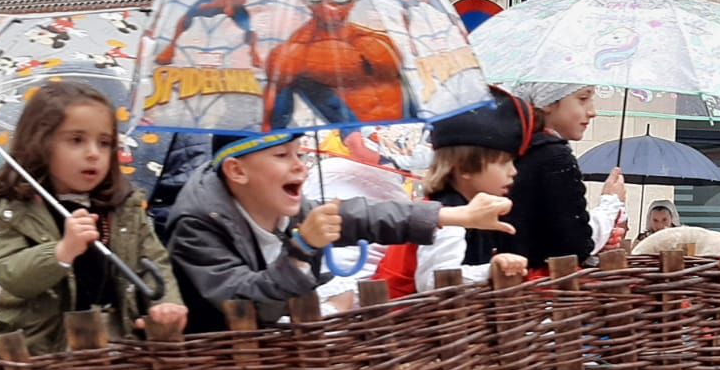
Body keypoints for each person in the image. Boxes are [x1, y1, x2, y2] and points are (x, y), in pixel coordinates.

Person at [165, 132, 514, 332]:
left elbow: (364, 217)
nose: (300, 165)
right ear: (237, 171)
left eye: (300, 152)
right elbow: (244, 304)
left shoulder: (280, 202)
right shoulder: (197, 224)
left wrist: (456, 215)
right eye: (283, 155)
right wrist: (303, 248)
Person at [0, 80, 186, 356]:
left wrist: (165, 302)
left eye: (104, 143)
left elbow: (152, 260)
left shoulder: (123, 206)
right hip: (40, 348)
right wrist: (62, 251)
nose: (93, 154)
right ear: (41, 144)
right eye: (76, 140)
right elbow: (12, 273)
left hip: (114, 338)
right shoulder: (19, 209)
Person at [381, 92, 531, 296]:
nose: (513, 171)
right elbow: (434, 282)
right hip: (402, 321)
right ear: (464, 167)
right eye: (503, 162)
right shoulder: (448, 214)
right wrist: (489, 270)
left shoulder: (467, 208)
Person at [500, 83, 625, 271]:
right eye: (583, 99)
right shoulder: (553, 155)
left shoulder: (515, 148)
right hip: (542, 290)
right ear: (548, 103)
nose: (592, 112)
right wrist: (611, 204)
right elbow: (576, 246)